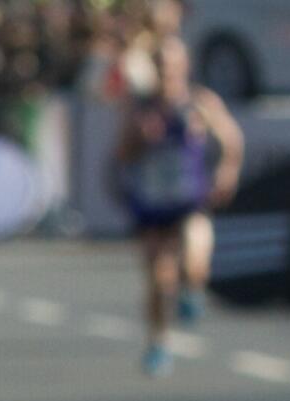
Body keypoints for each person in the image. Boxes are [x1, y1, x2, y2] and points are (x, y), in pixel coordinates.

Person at [112, 33, 241, 376]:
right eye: (160, 65)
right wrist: (140, 139)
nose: (167, 71)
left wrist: (226, 173)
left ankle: (193, 288)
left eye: (172, 64)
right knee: (157, 277)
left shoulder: (200, 103)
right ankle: (158, 341)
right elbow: (121, 155)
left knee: (195, 253)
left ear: (184, 65)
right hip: (153, 204)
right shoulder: (140, 109)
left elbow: (231, 140)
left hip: (189, 200)